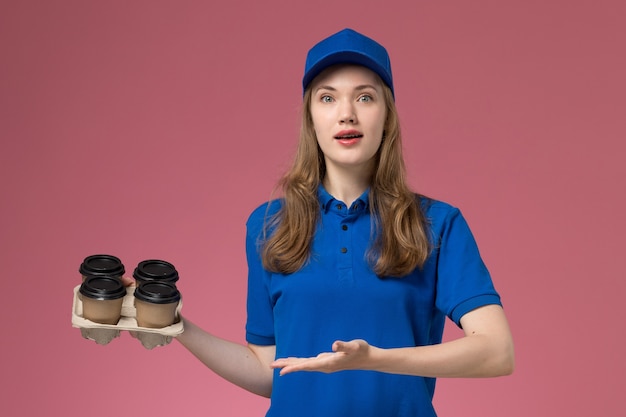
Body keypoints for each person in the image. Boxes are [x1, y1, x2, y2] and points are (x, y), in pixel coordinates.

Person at [172, 28, 514, 416]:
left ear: (387, 116)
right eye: (328, 97)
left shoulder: (437, 223)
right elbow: (271, 371)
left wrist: (374, 359)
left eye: (365, 97)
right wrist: (175, 326)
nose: (346, 112)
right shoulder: (267, 226)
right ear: (311, 118)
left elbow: (497, 351)